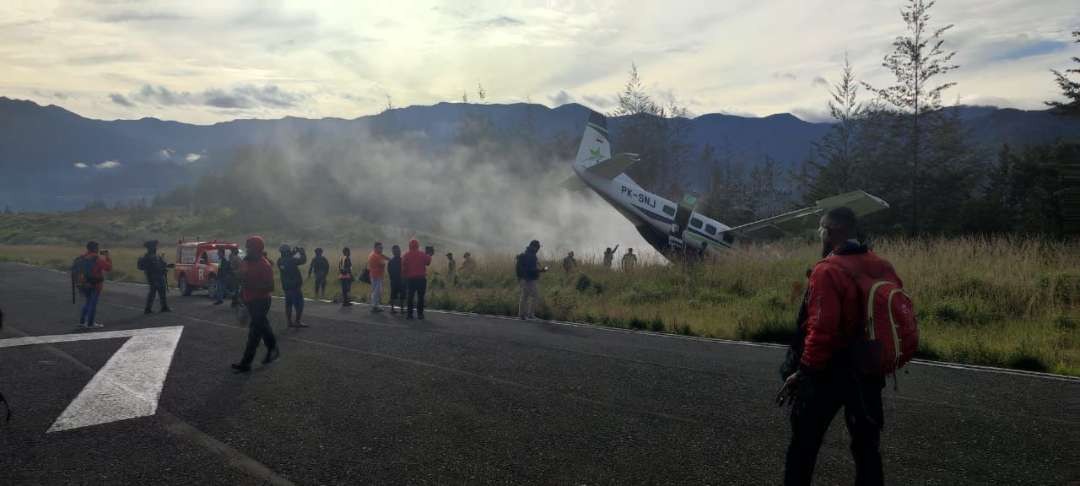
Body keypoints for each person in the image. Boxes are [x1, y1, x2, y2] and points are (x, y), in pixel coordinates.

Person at [776, 207, 900, 486]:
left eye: (821, 228)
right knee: (867, 450)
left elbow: (822, 329)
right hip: (868, 369)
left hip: (827, 374)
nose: (819, 233)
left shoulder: (828, 270)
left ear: (832, 232)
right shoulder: (881, 265)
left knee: (803, 447)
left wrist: (803, 371)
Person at [232, 236, 279, 372]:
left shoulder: (264, 265)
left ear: (257, 249)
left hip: (261, 301)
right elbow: (243, 276)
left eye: (249, 247)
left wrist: (251, 285)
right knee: (263, 328)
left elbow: (270, 287)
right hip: (250, 300)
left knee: (254, 333)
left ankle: (246, 363)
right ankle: (273, 349)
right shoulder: (247, 261)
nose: (247, 250)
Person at [72, 241, 112, 329]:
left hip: (83, 284)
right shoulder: (96, 259)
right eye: (97, 248)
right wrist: (107, 257)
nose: (98, 250)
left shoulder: (82, 257)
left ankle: (82, 322)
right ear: (94, 248)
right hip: (95, 284)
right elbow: (108, 268)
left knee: (87, 302)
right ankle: (90, 323)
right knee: (93, 304)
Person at [515, 240, 547, 320]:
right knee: (535, 296)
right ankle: (530, 314)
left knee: (524, 296)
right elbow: (531, 269)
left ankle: (521, 315)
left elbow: (527, 268)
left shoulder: (527, 254)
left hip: (524, 278)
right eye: (537, 247)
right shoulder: (531, 256)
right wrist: (541, 270)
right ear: (534, 247)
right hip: (529, 279)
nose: (538, 248)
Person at [137, 240, 172, 314]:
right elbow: (151, 267)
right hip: (153, 277)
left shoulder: (157, 256)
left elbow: (162, 264)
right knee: (152, 293)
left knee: (162, 292)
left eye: (155, 246)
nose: (155, 248)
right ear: (150, 248)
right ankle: (148, 309)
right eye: (154, 246)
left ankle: (164, 307)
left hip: (160, 276)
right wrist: (162, 268)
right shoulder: (147, 257)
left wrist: (167, 266)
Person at [277, 244, 308, 327]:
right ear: (287, 252)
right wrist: (302, 252)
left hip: (286, 287)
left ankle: (289, 322)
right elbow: (303, 260)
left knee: (288, 305)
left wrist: (294, 252)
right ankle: (297, 321)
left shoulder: (279, 261)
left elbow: (289, 258)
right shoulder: (292, 260)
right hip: (295, 287)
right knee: (299, 305)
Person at [402, 239, 432, 319]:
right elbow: (428, 262)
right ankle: (420, 314)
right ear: (418, 246)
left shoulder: (406, 255)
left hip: (410, 279)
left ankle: (409, 314)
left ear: (409, 246)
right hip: (421, 279)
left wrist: (404, 277)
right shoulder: (422, 254)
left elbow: (404, 268)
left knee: (410, 297)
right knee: (420, 297)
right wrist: (429, 254)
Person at [367, 242, 391, 313]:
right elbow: (383, 263)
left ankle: (376, 305)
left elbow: (384, 256)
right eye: (380, 248)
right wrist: (390, 261)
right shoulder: (375, 256)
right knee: (376, 292)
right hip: (376, 276)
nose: (381, 249)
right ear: (375, 248)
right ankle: (374, 306)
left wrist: (389, 259)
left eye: (382, 248)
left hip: (375, 276)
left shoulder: (375, 254)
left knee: (376, 291)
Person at [388, 245, 404, 314]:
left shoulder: (391, 261)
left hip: (394, 280)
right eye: (397, 251)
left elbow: (389, 271)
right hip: (400, 280)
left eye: (398, 250)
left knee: (393, 295)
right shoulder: (402, 260)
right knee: (401, 295)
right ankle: (401, 309)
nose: (398, 252)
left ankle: (392, 309)